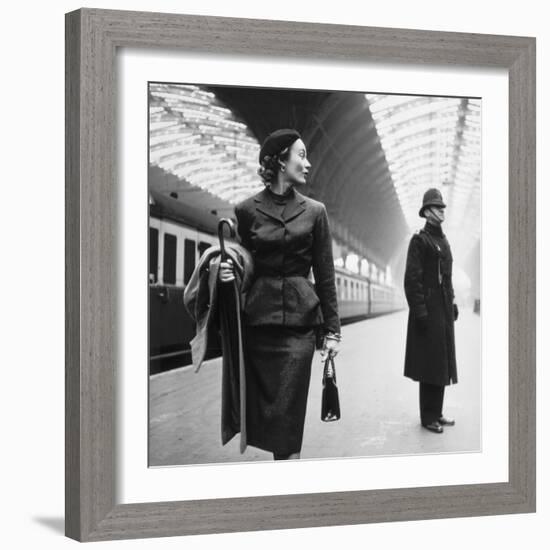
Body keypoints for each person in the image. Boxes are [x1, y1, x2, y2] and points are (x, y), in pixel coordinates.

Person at [218, 128, 341, 460]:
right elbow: (244, 263)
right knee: (269, 425)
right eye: (301, 155)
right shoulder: (246, 211)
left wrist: (332, 331)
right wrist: (229, 274)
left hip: (300, 328)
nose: (308, 163)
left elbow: (326, 276)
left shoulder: (316, 212)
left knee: (289, 425)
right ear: (280, 161)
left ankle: (289, 477)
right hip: (259, 328)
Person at [403, 188, 459, 434]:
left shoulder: (443, 241)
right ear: (426, 212)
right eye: (436, 207)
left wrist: (453, 302)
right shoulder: (420, 240)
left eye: (442, 207)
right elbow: (411, 280)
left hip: (443, 310)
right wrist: (421, 312)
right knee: (429, 364)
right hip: (427, 312)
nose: (441, 210)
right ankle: (428, 417)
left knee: (442, 362)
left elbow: (447, 277)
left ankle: (437, 412)